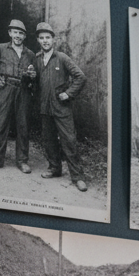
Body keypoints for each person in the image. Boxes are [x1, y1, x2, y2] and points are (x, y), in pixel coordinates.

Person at [33, 21, 87, 192]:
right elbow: (35, 82)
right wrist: (30, 77)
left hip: (62, 108)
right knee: (48, 140)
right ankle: (54, 168)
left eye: (48, 37)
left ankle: (77, 177)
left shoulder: (62, 58)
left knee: (69, 141)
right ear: (38, 40)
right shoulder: (37, 59)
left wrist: (69, 93)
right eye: (41, 38)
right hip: (45, 107)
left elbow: (80, 77)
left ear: (53, 40)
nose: (45, 41)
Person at [0, 19, 35, 173]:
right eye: (15, 32)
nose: (18, 36)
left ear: (25, 36)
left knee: (23, 126)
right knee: (0, 124)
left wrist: (32, 76)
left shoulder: (30, 54)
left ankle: (22, 161)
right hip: (5, 88)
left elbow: (36, 74)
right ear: (10, 33)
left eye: (21, 33)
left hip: (23, 90)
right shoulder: (1, 48)